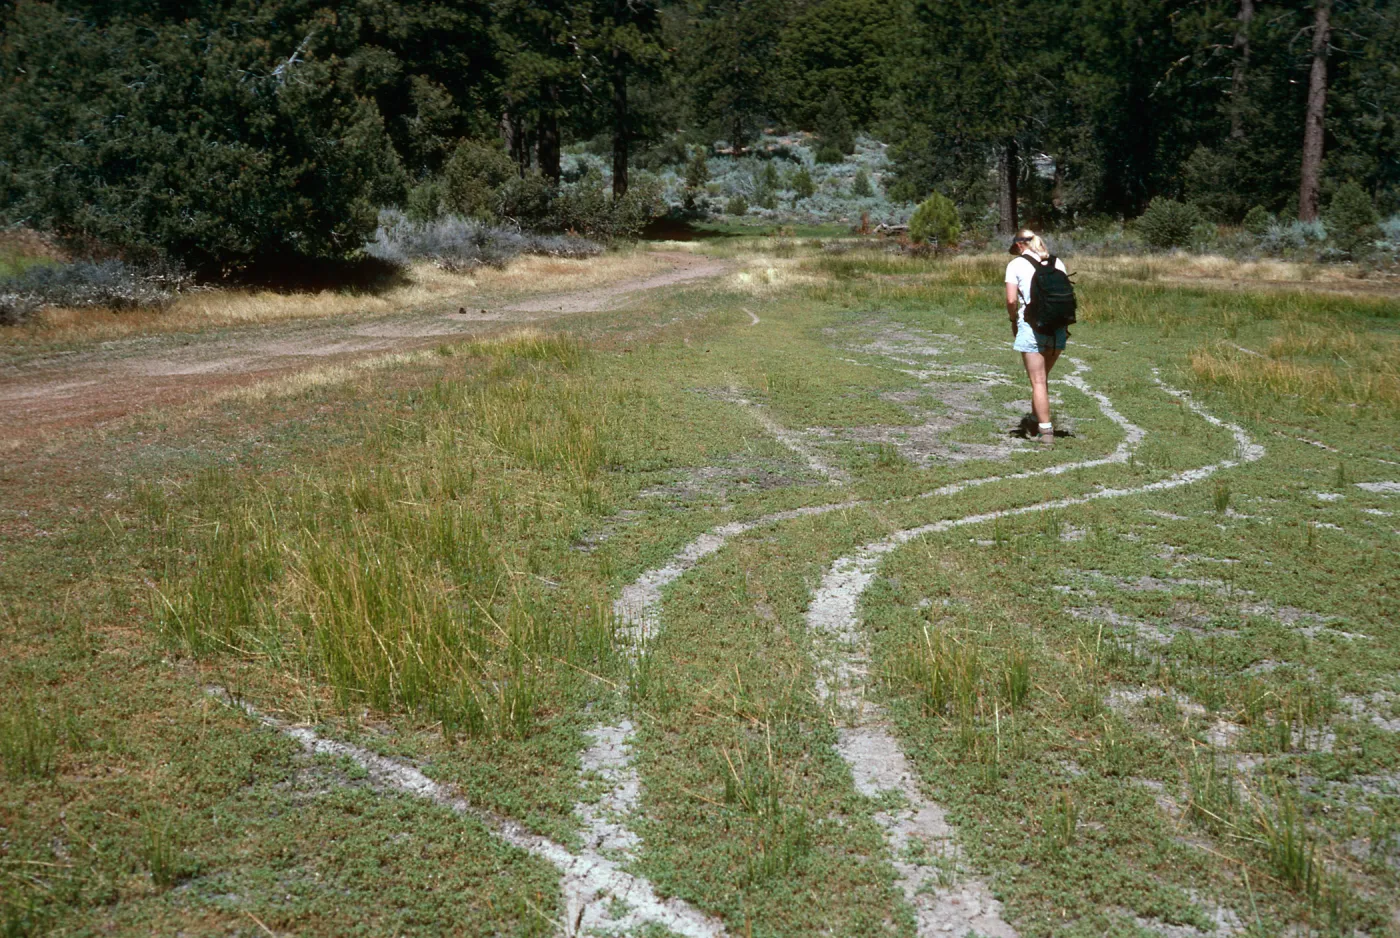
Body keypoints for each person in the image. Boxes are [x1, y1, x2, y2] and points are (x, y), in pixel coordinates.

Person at [1004, 230, 1068, 447]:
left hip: (1032, 326)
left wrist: (1013, 320)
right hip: (1058, 327)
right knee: (1042, 378)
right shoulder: (1058, 263)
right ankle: (1034, 419)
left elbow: (1011, 300)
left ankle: (1045, 431)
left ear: (1020, 245)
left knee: (1038, 381)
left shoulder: (1015, 265)